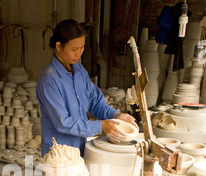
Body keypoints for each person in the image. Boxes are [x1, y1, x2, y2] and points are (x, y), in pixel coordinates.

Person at [36, 19, 138, 157]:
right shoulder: (49, 80)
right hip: (58, 153)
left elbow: (95, 102)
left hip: (80, 148)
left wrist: (116, 115)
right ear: (59, 46)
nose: (79, 54)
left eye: (82, 48)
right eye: (74, 49)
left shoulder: (79, 70)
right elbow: (63, 123)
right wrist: (100, 126)